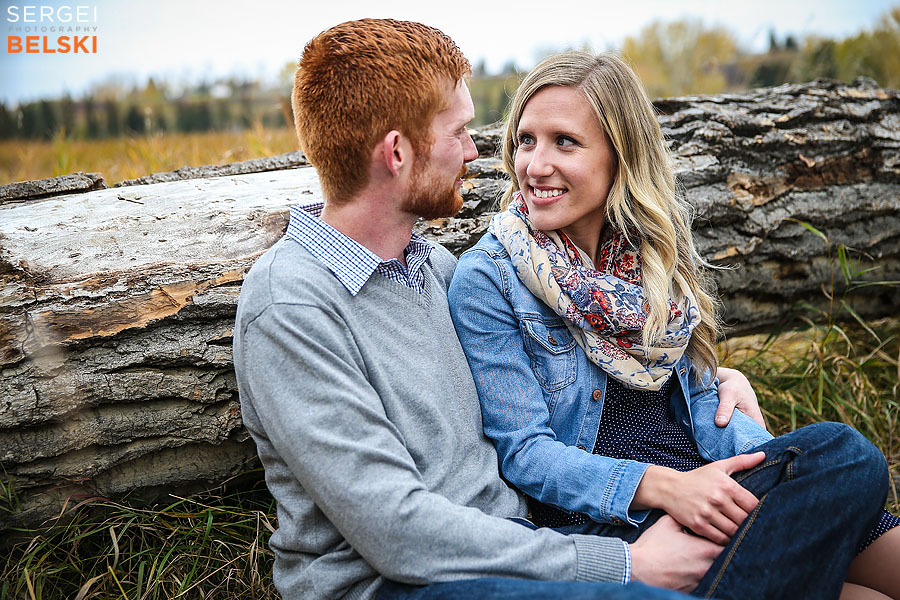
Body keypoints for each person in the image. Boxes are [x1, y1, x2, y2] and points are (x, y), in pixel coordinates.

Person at [232, 19, 871, 600]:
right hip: (406, 588)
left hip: (522, 557)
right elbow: (400, 532)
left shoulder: (431, 271)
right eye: (459, 133)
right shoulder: (291, 308)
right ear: (398, 153)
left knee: (846, 460)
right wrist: (617, 565)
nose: (479, 154)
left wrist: (717, 377)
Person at [447, 50, 898, 600]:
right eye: (525, 140)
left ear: (620, 156)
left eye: (565, 142)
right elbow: (525, 453)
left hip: (722, 476)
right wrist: (669, 489)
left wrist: (724, 378)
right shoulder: (489, 278)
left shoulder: (652, 252)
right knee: (847, 458)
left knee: (854, 480)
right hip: (633, 519)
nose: (535, 165)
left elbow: (688, 390)